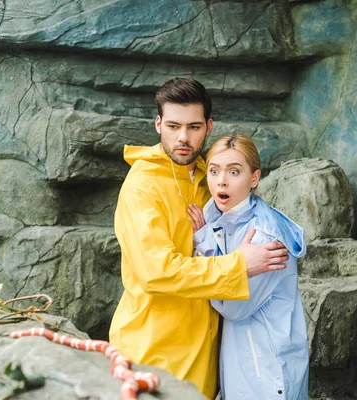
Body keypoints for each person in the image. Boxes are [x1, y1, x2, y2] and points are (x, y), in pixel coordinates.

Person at [109, 78, 290, 399]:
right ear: (158, 125)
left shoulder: (212, 176)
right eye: (173, 126)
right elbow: (157, 272)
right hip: (154, 349)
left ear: (208, 126)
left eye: (193, 127)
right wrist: (239, 266)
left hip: (209, 349)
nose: (183, 137)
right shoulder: (142, 187)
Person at [188, 134, 309, 400]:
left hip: (267, 368)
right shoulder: (219, 216)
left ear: (254, 178)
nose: (221, 180)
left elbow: (233, 308)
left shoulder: (266, 235)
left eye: (234, 171)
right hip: (241, 363)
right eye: (214, 170)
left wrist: (206, 248)